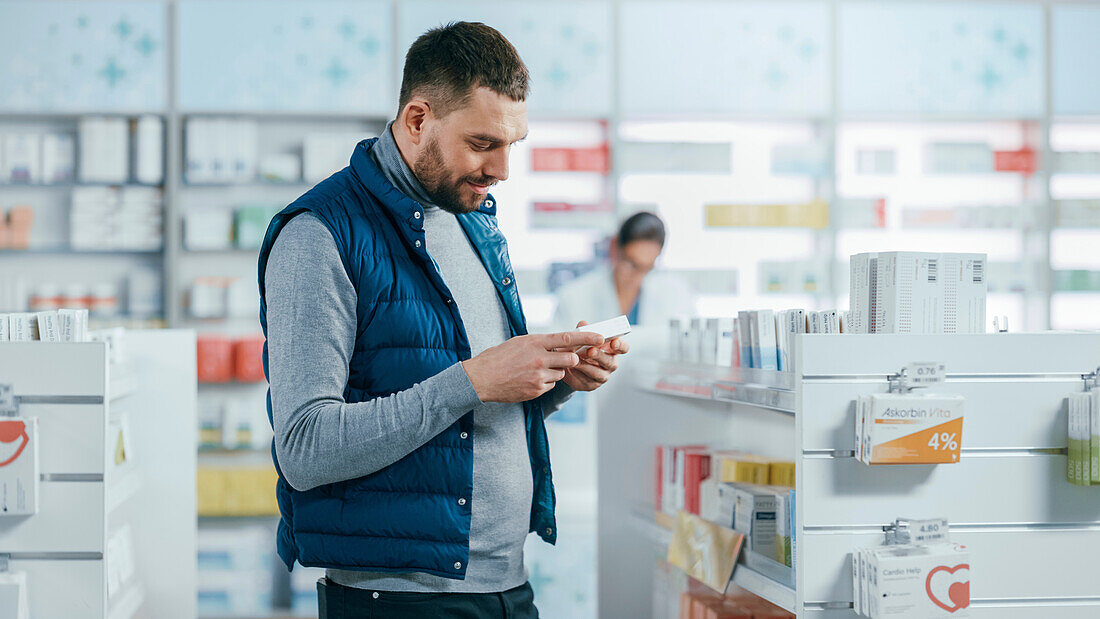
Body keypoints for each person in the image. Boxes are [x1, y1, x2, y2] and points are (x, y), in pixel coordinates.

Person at [257, 22, 628, 618]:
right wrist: (475, 380)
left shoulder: (472, 217)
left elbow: (469, 405)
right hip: (403, 600)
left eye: (513, 144)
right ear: (417, 119)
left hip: (505, 587)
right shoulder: (319, 236)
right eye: (483, 143)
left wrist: (554, 380)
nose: (502, 169)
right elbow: (304, 449)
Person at [554, 211, 694, 333]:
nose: (638, 277)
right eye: (632, 264)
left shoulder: (676, 294)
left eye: (647, 268)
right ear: (614, 248)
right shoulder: (573, 297)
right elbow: (557, 354)